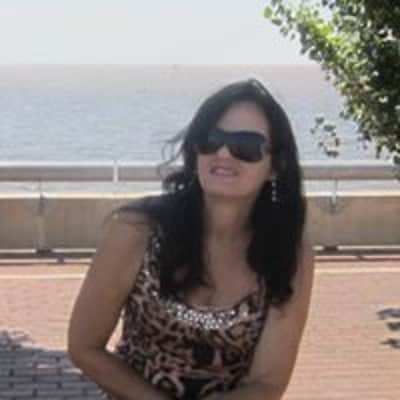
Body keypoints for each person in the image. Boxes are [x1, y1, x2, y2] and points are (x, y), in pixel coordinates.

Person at [68, 78, 315, 400]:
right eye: (211, 140)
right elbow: (84, 347)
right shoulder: (136, 229)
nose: (223, 152)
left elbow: (268, 383)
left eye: (246, 146)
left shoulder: (288, 252)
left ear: (275, 166)